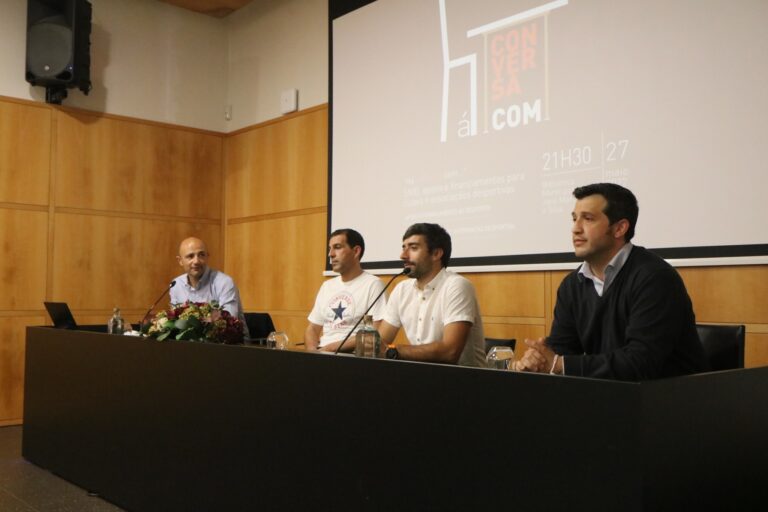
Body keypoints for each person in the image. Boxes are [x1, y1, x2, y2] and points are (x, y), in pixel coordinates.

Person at [515, 183, 706, 380]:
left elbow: (641, 361)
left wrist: (557, 364)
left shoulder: (654, 278)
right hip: (609, 397)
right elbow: (561, 351)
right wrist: (538, 361)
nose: (575, 229)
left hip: (667, 400)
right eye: (574, 219)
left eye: (588, 219)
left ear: (619, 228)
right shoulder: (571, 285)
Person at [378, 223, 485, 367]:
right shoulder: (401, 290)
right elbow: (380, 342)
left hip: (464, 382)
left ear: (436, 254)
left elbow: (450, 352)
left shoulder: (457, 286)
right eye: (403, 248)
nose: (403, 255)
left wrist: (394, 350)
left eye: (413, 248)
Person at [305, 229, 386, 352]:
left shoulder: (373, 285)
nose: (330, 254)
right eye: (330, 248)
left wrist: (331, 348)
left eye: (337, 247)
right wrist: (312, 352)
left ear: (356, 251)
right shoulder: (327, 286)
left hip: (352, 356)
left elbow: (375, 332)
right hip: (322, 353)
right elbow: (312, 328)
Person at [170, 237, 249, 337]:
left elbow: (229, 321)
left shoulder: (224, 282)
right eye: (190, 256)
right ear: (180, 260)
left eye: (201, 255)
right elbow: (175, 321)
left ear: (207, 256)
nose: (196, 261)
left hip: (231, 345)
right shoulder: (176, 284)